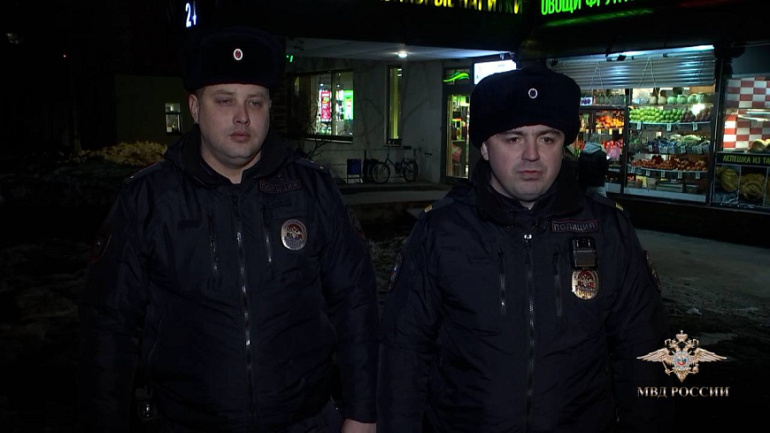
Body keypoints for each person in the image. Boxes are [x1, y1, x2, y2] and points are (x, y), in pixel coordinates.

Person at [77, 25, 378, 433]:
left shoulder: (313, 191)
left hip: (304, 421)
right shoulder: (147, 200)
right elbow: (109, 326)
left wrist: (362, 413)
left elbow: (356, 305)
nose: (242, 116)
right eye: (225, 100)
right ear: (194, 107)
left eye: (255, 101)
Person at [378, 67, 673, 432]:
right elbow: (403, 354)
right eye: (514, 139)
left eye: (547, 139)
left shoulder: (608, 231)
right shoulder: (440, 231)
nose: (532, 155)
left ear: (564, 146)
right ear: (485, 147)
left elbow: (643, 351)